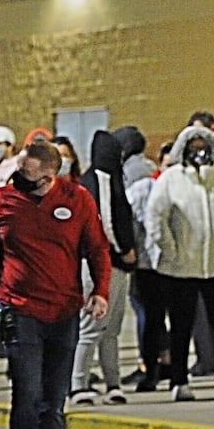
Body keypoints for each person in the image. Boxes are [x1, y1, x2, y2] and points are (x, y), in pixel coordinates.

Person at [0, 139, 111, 429]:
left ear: (50, 175)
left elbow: (97, 249)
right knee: (27, 397)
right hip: (19, 310)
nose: (19, 179)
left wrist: (101, 291)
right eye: (18, 171)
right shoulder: (1, 201)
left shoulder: (77, 199)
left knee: (54, 403)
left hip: (64, 312)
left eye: (28, 175)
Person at [146, 125, 214, 402]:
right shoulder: (170, 180)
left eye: (204, 146)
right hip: (180, 270)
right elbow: (155, 218)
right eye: (193, 146)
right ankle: (180, 382)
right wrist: (171, 251)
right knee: (181, 327)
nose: (199, 152)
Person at [71, 130, 137, 405]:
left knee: (109, 329)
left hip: (109, 265)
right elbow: (106, 221)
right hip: (102, 265)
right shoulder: (100, 181)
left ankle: (113, 383)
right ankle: (78, 384)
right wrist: (125, 249)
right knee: (93, 328)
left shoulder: (100, 179)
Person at [125, 142, 169, 392]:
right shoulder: (145, 188)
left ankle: (174, 369)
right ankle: (150, 370)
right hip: (147, 265)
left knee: (178, 319)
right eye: (168, 165)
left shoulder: (183, 188)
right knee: (151, 319)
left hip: (178, 265)